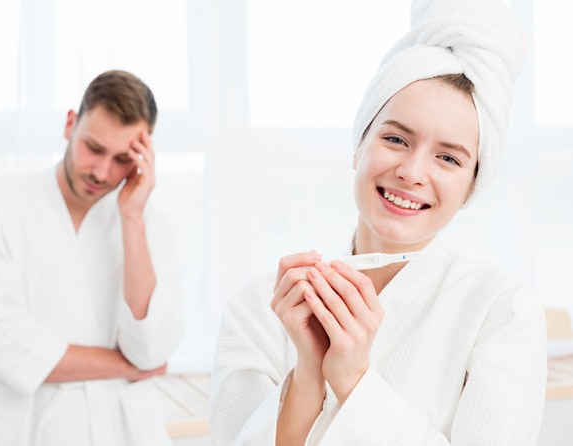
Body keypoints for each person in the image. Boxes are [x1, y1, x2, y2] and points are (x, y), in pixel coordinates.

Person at [209, 0, 547, 444]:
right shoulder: (259, 310)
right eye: (395, 138)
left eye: (448, 157)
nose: (411, 171)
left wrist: (353, 380)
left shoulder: (501, 310)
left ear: (471, 187)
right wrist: (308, 373)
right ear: (358, 145)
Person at [0, 70, 183, 445]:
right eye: (93, 147)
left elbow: (152, 348)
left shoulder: (148, 224)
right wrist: (126, 366)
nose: (102, 171)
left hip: (124, 431)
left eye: (123, 158)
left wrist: (132, 218)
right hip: (25, 430)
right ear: (69, 124)